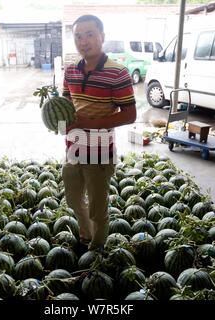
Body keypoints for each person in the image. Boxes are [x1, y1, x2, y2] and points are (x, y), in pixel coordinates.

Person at [61, 15, 136, 251]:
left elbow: (130, 115)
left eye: (90, 34)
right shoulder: (71, 70)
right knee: (73, 199)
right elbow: (65, 104)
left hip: (100, 150)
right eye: (78, 36)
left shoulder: (117, 73)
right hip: (73, 147)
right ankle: (86, 232)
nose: (83, 41)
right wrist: (59, 123)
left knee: (97, 207)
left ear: (102, 36)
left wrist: (89, 123)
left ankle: (98, 247)